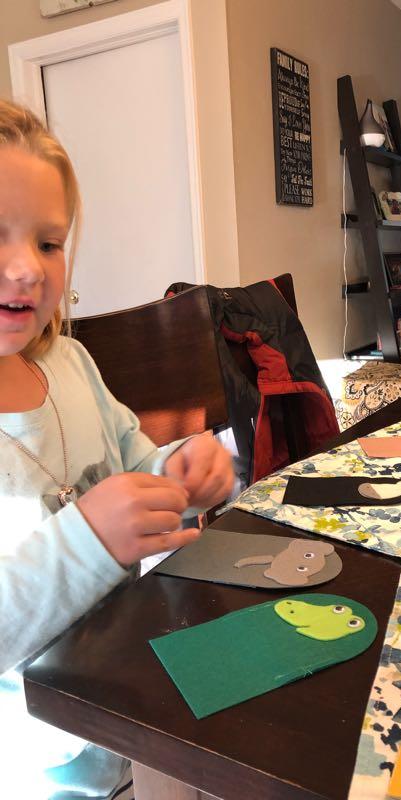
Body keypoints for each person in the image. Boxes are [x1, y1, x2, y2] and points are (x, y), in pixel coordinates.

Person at [0, 99, 234, 799]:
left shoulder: (70, 362)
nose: (26, 269)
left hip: (139, 700)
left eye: (48, 241)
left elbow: (136, 459)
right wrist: (89, 538)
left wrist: (179, 469)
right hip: (45, 763)